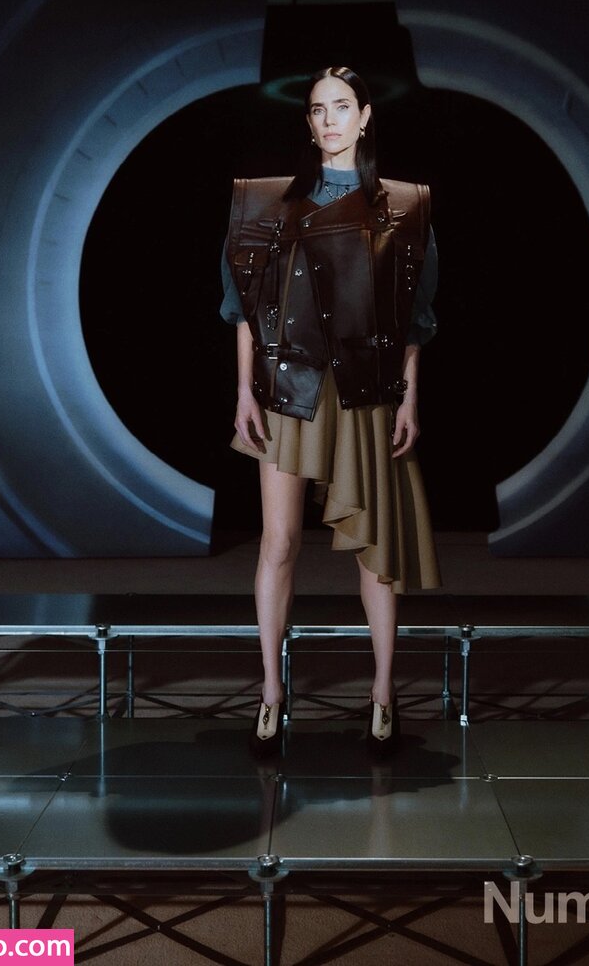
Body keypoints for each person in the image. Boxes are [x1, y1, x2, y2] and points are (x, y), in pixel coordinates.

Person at [220, 65, 441, 759]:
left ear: (365, 116)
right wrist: (243, 392)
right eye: (318, 110)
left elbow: (415, 318)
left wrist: (409, 396)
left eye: (342, 107)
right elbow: (244, 310)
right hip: (289, 385)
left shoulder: (405, 206)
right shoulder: (265, 203)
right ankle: (270, 692)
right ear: (308, 122)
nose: (329, 120)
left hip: (366, 390)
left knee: (375, 547)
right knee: (279, 541)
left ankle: (382, 695)